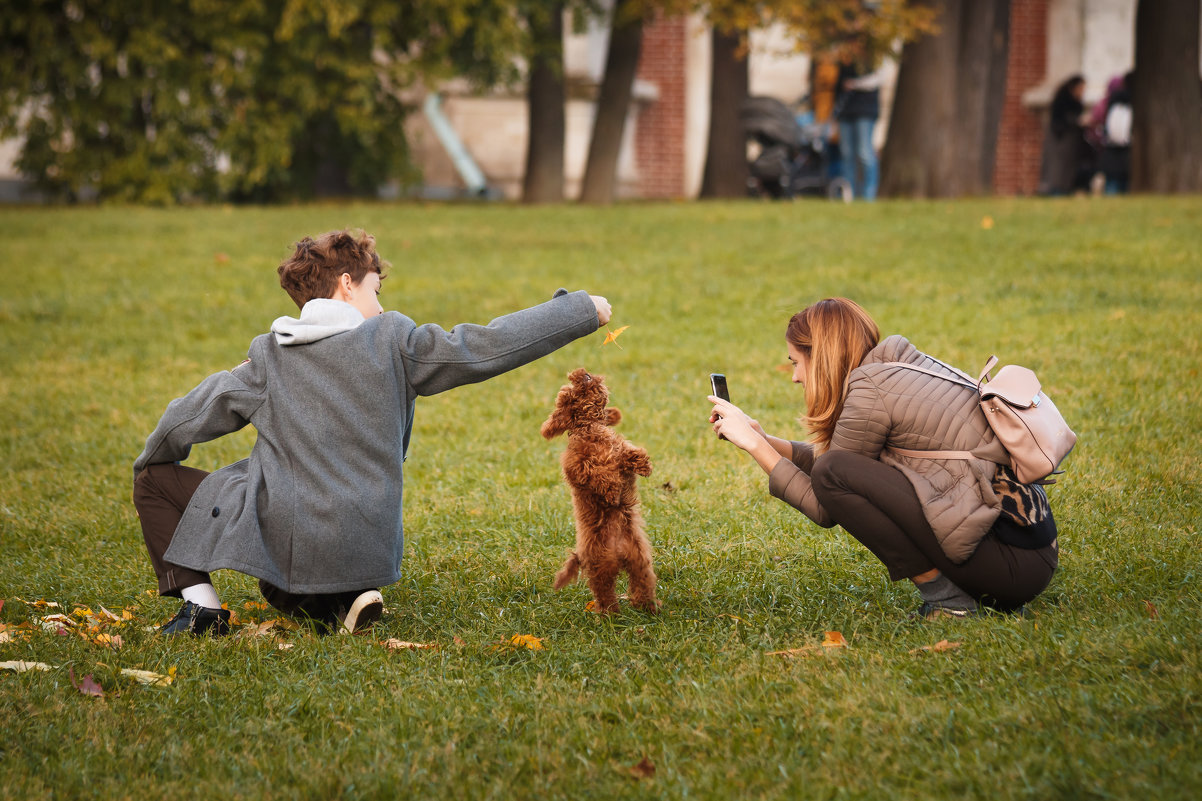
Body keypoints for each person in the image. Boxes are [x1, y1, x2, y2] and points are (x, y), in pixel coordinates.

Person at [133, 229, 612, 636]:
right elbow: (484, 346)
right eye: (375, 291)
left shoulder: (268, 356)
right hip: (369, 545)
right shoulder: (395, 343)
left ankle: (203, 608)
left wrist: (156, 458)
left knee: (153, 479)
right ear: (347, 284)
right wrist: (577, 312)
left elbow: (186, 416)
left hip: (290, 558)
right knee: (307, 535)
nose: (382, 307)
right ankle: (351, 597)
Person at [706, 298, 1059, 619]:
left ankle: (950, 604)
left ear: (823, 356)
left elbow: (826, 499)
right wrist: (768, 440)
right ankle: (954, 598)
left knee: (832, 472)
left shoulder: (871, 390)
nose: (796, 376)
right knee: (835, 470)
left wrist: (755, 446)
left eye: (796, 362)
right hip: (1029, 550)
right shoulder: (893, 368)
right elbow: (851, 465)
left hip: (1009, 566)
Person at [834, 41, 886, 201]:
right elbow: (838, 85)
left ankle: (869, 195)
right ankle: (849, 195)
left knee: (865, 153)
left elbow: (878, 79)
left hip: (865, 111)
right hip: (846, 111)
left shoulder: (875, 56)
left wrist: (855, 84)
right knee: (846, 154)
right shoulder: (844, 57)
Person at [1038, 74, 1090, 196]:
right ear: (1073, 88)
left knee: (1067, 176)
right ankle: (1055, 193)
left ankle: (1064, 192)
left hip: (1071, 148)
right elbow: (1058, 124)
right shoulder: (1062, 103)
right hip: (1061, 145)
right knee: (1057, 174)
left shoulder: (1077, 104)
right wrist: (1077, 121)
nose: (1082, 92)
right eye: (1080, 89)